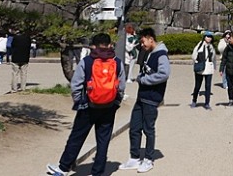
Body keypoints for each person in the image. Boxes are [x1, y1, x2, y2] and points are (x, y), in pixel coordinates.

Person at [47, 33, 126, 176]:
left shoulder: (87, 61)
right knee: (103, 140)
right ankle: (98, 172)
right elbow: (121, 86)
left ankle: (63, 168)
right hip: (109, 106)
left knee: (77, 136)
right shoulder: (117, 62)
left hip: (88, 106)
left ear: (93, 46)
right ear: (110, 45)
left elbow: (76, 85)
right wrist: (116, 102)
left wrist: (79, 101)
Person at [120, 28, 170, 173]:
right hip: (142, 96)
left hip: (152, 97)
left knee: (148, 129)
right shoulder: (148, 53)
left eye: (143, 42)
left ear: (150, 39)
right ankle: (134, 157)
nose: (142, 45)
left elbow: (164, 73)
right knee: (135, 127)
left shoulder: (161, 54)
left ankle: (148, 159)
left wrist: (145, 80)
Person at [191, 30, 216, 109]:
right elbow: (194, 55)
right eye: (207, 37)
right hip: (200, 68)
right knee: (197, 85)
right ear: (204, 37)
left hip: (209, 68)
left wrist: (214, 67)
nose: (209, 38)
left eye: (210, 37)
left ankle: (207, 103)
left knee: (208, 86)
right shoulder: (200, 45)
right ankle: (194, 100)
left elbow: (213, 58)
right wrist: (197, 61)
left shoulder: (211, 46)